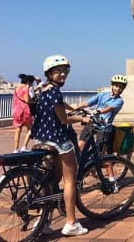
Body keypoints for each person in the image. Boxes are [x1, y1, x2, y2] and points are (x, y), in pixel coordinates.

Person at [30, 55, 88, 236]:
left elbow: (59, 106)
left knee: (50, 181)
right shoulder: (55, 91)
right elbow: (63, 119)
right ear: (49, 73)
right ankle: (71, 223)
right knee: (69, 180)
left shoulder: (41, 90)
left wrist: (74, 109)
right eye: (58, 71)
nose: (63, 74)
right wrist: (81, 118)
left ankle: (42, 222)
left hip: (41, 139)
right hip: (58, 140)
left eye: (65, 71)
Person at [76, 75, 127, 166]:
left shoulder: (119, 101)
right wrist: (77, 108)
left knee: (99, 152)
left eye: (121, 87)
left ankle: (96, 168)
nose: (118, 89)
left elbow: (110, 108)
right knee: (80, 147)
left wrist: (98, 111)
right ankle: (81, 166)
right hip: (92, 123)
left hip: (104, 128)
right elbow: (88, 103)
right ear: (112, 85)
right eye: (116, 86)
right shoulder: (102, 95)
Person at [12, 74, 35, 153]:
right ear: (28, 82)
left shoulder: (16, 88)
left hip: (16, 110)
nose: (32, 85)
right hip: (24, 110)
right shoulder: (25, 88)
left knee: (18, 130)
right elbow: (27, 100)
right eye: (32, 83)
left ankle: (15, 149)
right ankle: (24, 146)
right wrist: (33, 101)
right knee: (31, 129)